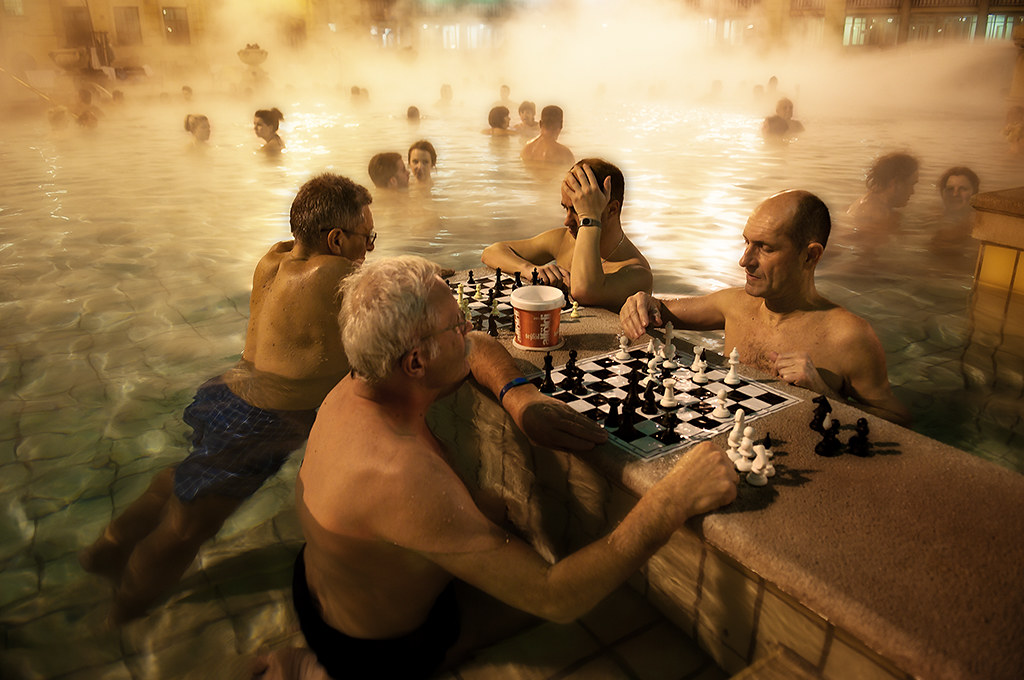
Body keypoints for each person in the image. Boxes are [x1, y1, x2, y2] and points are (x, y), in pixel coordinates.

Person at [282, 255, 737, 678]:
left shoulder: (365, 382)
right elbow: (555, 596)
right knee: (575, 602)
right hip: (373, 650)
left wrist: (519, 396)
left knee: (489, 525)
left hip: (319, 586)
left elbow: (477, 347)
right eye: (455, 325)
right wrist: (671, 500)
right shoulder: (399, 472)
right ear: (417, 361)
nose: (468, 328)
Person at [78, 173, 378, 624]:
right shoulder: (333, 272)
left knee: (181, 481)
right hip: (262, 419)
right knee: (188, 527)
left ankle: (104, 554)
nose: (369, 249)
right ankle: (118, 617)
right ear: (336, 239)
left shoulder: (273, 259)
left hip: (224, 392)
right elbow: (387, 299)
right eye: (367, 238)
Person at [620, 190, 910, 425]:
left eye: (766, 248)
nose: (745, 260)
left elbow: (899, 421)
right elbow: (660, 310)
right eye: (746, 242)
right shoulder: (734, 304)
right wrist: (640, 301)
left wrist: (825, 393)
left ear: (810, 256)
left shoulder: (848, 336)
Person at [481, 158, 652, 310]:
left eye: (577, 211)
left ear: (612, 209)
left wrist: (589, 218)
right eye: (566, 208)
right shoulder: (566, 240)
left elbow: (584, 290)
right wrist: (528, 269)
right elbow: (492, 252)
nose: (566, 221)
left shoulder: (638, 273)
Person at [846, 152, 919, 230]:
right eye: (911, 185)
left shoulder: (869, 201)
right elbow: (868, 240)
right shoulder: (878, 214)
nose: (912, 192)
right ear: (894, 183)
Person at [930, 166, 980, 257]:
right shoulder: (931, 218)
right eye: (950, 189)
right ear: (942, 193)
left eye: (963, 189)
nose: (955, 194)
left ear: (974, 193)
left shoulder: (979, 225)